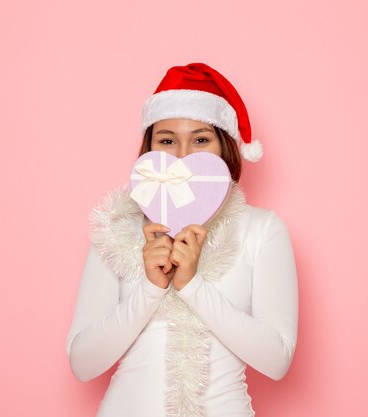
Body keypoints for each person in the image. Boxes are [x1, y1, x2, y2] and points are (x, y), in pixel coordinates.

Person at [66, 63, 298, 417]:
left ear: (225, 149)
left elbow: (276, 360)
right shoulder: (119, 228)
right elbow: (83, 363)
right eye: (167, 140)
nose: (183, 157)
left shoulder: (261, 230)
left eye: (201, 140)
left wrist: (192, 286)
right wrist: (150, 289)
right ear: (149, 148)